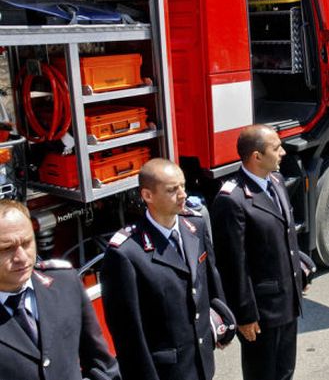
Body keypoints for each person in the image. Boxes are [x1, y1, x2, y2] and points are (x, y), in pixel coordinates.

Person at [101, 158, 231, 380]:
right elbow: (129, 335)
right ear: (147, 195)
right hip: (167, 371)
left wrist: (222, 322)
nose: (183, 195)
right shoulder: (126, 253)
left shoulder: (195, 225)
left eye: (183, 186)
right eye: (172, 190)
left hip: (201, 362)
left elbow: (209, 278)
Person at [211, 124, 305, 380]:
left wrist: (300, 275)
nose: (283, 152)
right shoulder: (233, 200)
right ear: (257, 157)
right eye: (276, 148)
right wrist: (244, 316)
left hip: (287, 302)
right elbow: (233, 265)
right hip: (261, 313)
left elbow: (285, 236)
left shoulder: (275, 181)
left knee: (285, 371)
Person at [0, 200, 120, 380]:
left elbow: (102, 365)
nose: (22, 257)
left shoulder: (65, 283)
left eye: (26, 243)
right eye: (7, 248)